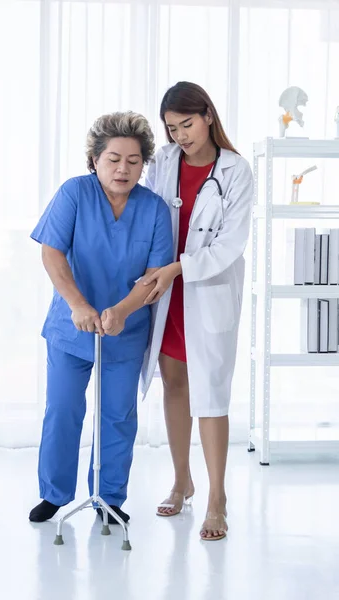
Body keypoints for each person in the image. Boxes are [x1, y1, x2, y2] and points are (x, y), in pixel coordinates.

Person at [29, 111, 173, 524]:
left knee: (117, 416)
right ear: (94, 159)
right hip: (70, 329)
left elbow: (155, 276)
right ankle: (54, 494)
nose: (123, 168)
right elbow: (52, 253)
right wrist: (78, 304)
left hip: (125, 332)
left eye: (133, 160)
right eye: (113, 158)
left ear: (144, 163)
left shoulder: (155, 210)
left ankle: (109, 499)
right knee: (62, 409)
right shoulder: (74, 194)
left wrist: (123, 311)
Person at [140, 82, 253, 540]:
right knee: (175, 383)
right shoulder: (164, 162)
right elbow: (149, 216)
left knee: (211, 394)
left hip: (206, 290)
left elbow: (231, 244)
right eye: (172, 128)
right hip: (168, 292)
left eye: (187, 124)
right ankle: (181, 479)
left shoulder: (235, 170)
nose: (180, 136)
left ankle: (216, 498)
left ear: (208, 115)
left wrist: (178, 269)